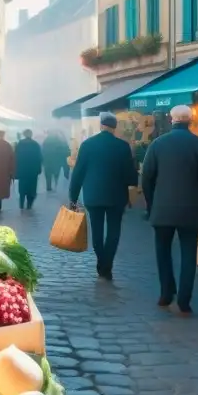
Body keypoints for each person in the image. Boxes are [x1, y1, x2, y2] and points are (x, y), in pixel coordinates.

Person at [141, 105, 198, 315]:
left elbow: (146, 177)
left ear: (171, 119)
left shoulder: (157, 144)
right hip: (190, 208)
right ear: (190, 121)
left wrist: (151, 203)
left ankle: (166, 293)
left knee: (162, 251)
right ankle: (184, 300)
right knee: (189, 253)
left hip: (162, 208)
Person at [69, 113, 138, 280]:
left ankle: (102, 262)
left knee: (97, 231)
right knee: (114, 230)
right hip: (117, 196)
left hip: (93, 195)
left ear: (101, 126)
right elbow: (130, 174)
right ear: (115, 128)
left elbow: (78, 172)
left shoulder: (87, 145)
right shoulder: (123, 146)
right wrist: (131, 191)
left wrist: (73, 196)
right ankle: (107, 264)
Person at [14, 129, 44, 209]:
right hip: (33, 171)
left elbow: (15, 157)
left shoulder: (20, 144)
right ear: (31, 134)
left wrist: (16, 169)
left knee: (22, 187)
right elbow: (39, 158)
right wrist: (39, 169)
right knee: (32, 188)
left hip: (22, 170)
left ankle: (21, 203)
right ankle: (29, 204)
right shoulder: (35, 144)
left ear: (24, 135)